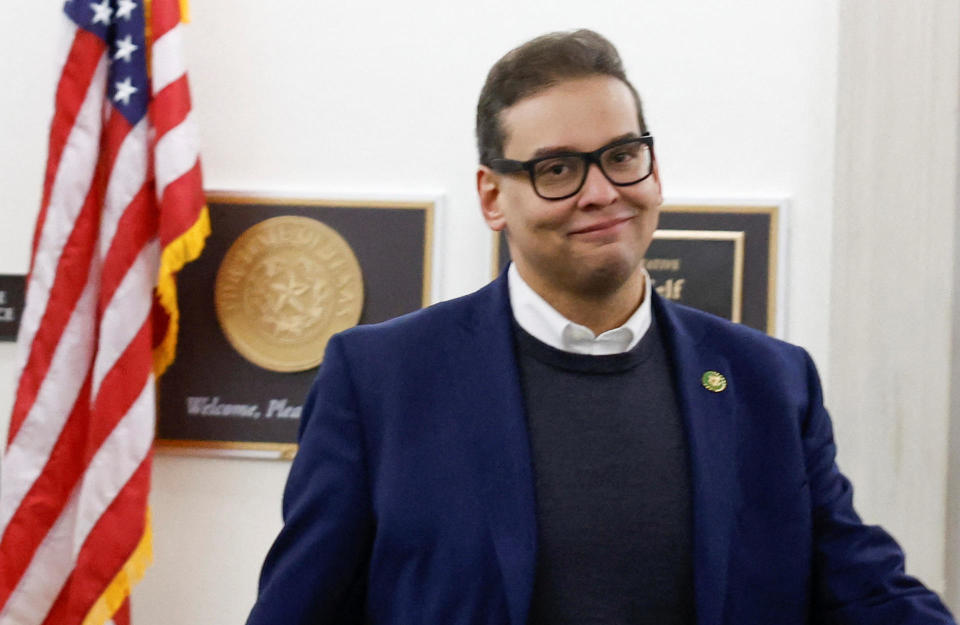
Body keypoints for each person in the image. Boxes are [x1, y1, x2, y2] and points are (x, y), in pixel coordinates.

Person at [245, 30, 956, 625]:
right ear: (493, 196)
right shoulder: (379, 382)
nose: (601, 192)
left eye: (621, 156)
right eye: (557, 169)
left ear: (653, 166)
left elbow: (863, 589)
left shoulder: (771, 381)